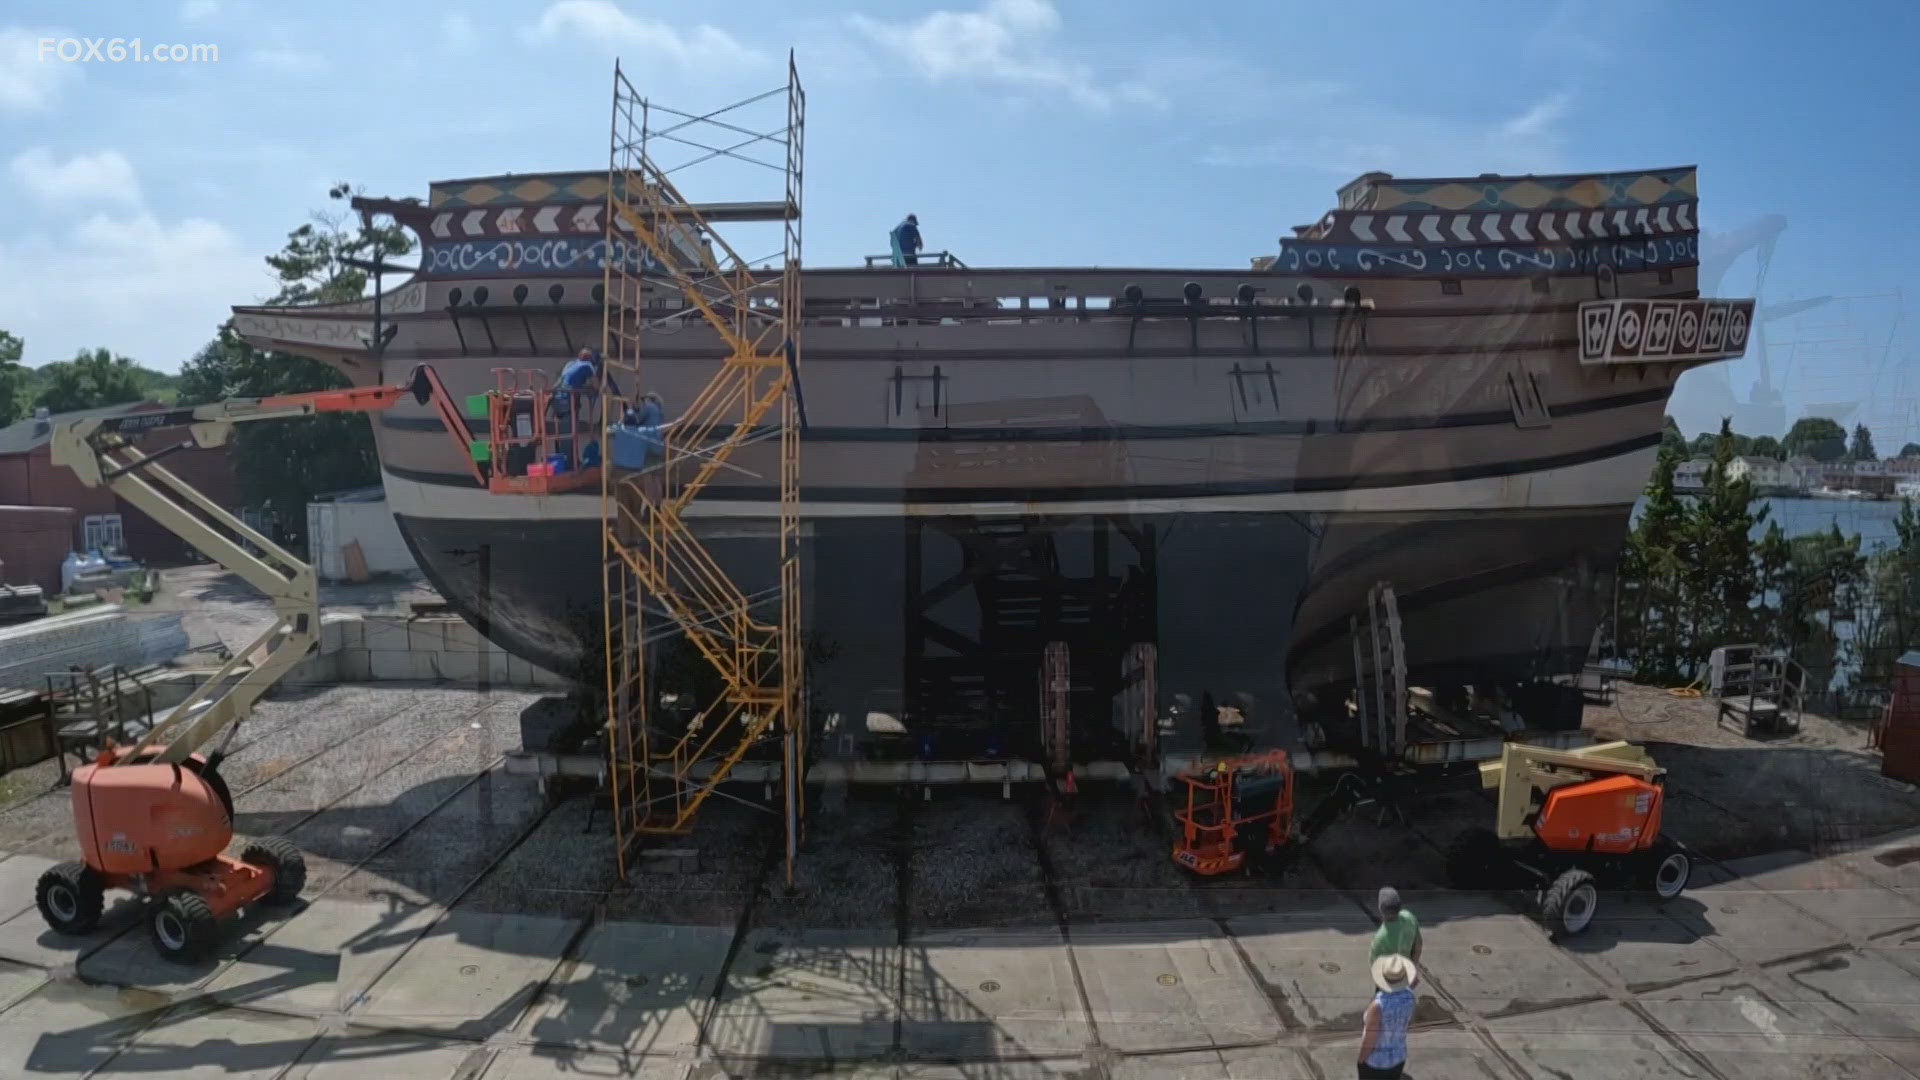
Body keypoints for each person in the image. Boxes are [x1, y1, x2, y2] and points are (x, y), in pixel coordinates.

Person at [1356, 954, 1418, 1078]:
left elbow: (1370, 1039)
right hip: (1399, 1057)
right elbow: (1408, 1023)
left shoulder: (1378, 1006)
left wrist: (1361, 1059)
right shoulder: (1410, 996)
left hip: (1376, 1063)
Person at [1370, 886, 1421, 964]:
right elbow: (1418, 943)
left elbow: (1374, 964)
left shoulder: (1379, 939)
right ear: (1399, 906)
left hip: (1388, 974)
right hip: (1407, 968)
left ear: (1380, 909)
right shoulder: (1410, 918)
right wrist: (1413, 965)